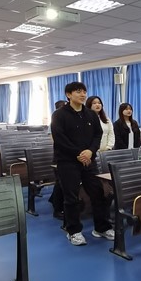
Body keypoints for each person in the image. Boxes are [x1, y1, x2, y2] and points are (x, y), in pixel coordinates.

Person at [51, 82, 114, 246]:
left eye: (84, 91)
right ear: (68, 95)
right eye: (78, 91)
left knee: (98, 193)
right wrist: (79, 154)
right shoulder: (59, 115)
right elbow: (59, 138)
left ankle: (101, 227)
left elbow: (97, 135)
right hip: (67, 162)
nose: (83, 94)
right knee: (71, 197)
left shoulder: (90, 114)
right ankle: (73, 231)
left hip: (88, 160)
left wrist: (91, 151)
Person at [49, 100, 67, 220]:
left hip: (69, 156)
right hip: (60, 155)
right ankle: (57, 208)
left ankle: (54, 200)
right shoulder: (55, 120)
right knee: (60, 183)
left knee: (61, 182)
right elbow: (57, 140)